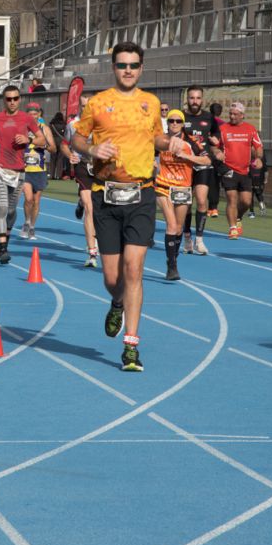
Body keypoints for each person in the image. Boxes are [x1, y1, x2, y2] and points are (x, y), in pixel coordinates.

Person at [72, 42, 188, 372]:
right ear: (113, 67)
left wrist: (172, 142)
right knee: (112, 277)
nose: (128, 70)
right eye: (122, 64)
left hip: (141, 194)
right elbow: (76, 140)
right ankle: (117, 301)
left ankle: (131, 347)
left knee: (134, 269)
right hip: (106, 195)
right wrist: (93, 148)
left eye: (134, 65)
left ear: (141, 68)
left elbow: (157, 139)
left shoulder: (150, 104)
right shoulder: (98, 103)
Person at [0, 85, 41, 266]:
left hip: (18, 172)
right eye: (8, 99)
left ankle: (4, 242)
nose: (12, 102)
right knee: (1, 207)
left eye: (15, 98)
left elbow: (43, 140)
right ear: (4, 100)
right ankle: (2, 248)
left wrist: (29, 139)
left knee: (10, 211)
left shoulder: (27, 119)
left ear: (20, 99)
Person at [156, 109, 211, 281]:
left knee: (179, 228)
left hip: (183, 187)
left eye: (177, 121)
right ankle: (172, 266)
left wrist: (186, 156)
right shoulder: (161, 139)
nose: (174, 124)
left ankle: (172, 259)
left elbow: (207, 160)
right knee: (171, 225)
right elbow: (147, 155)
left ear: (182, 123)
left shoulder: (191, 141)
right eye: (171, 121)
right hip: (163, 185)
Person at [214, 101, 264, 239]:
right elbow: (214, 145)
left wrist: (258, 158)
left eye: (235, 114)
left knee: (247, 201)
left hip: (245, 171)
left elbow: (259, 147)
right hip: (228, 169)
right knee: (231, 198)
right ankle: (232, 228)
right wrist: (216, 152)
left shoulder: (250, 129)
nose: (232, 116)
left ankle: (238, 217)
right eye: (230, 113)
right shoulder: (223, 129)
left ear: (242, 115)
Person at [60, 93, 99, 268]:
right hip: (83, 165)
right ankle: (92, 253)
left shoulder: (102, 124)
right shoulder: (73, 124)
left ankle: (81, 203)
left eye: (89, 106)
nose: (86, 109)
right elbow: (64, 145)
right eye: (83, 106)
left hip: (100, 167)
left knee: (98, 207)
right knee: (90, 207)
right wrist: (70, 155)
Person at [179, 86, 217, 255]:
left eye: (198, 98)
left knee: (201, 201)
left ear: (203, 99)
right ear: (187, 99)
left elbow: (216, 137)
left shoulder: (209, 117)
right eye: (192, 98)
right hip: (185, 165)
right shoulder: (180, 116)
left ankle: (199, 240)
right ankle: (187, 238)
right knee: (186, 204)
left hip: (203, 163)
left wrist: (217, 146)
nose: (195, 101)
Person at [19, 102, 56, 240]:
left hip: (39, 169)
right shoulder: (21, 128)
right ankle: (26, 222)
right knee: (28, 198)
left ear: (39, 114)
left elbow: (53, 149)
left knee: (36, 200)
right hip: (25, 169)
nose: (33, 117)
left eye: (35, 114)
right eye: (30, 114)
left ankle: (32, 227)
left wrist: (44, 145)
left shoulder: (44, 129)